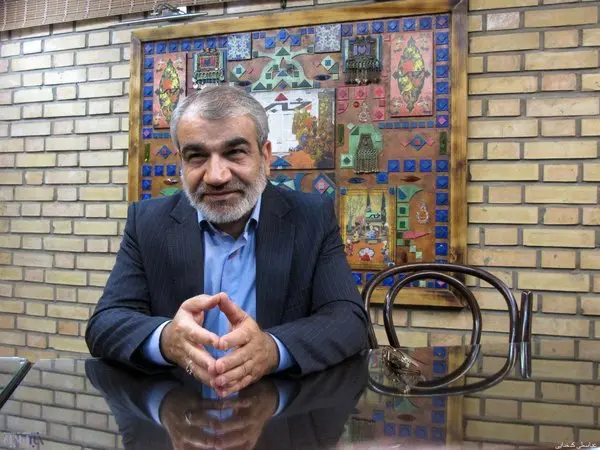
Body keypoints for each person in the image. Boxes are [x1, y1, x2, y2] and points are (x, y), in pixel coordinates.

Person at [85, 85, 369, 397]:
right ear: (181, 162)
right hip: (178, 413)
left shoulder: (311, 218)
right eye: (197, 157)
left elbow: (349, 320)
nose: (216, 176)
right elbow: (105, 324)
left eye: (234, 153)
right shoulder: (148, 222)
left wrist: (272, 349)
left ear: (265, 156)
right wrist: (166, 339)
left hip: (279, 414)